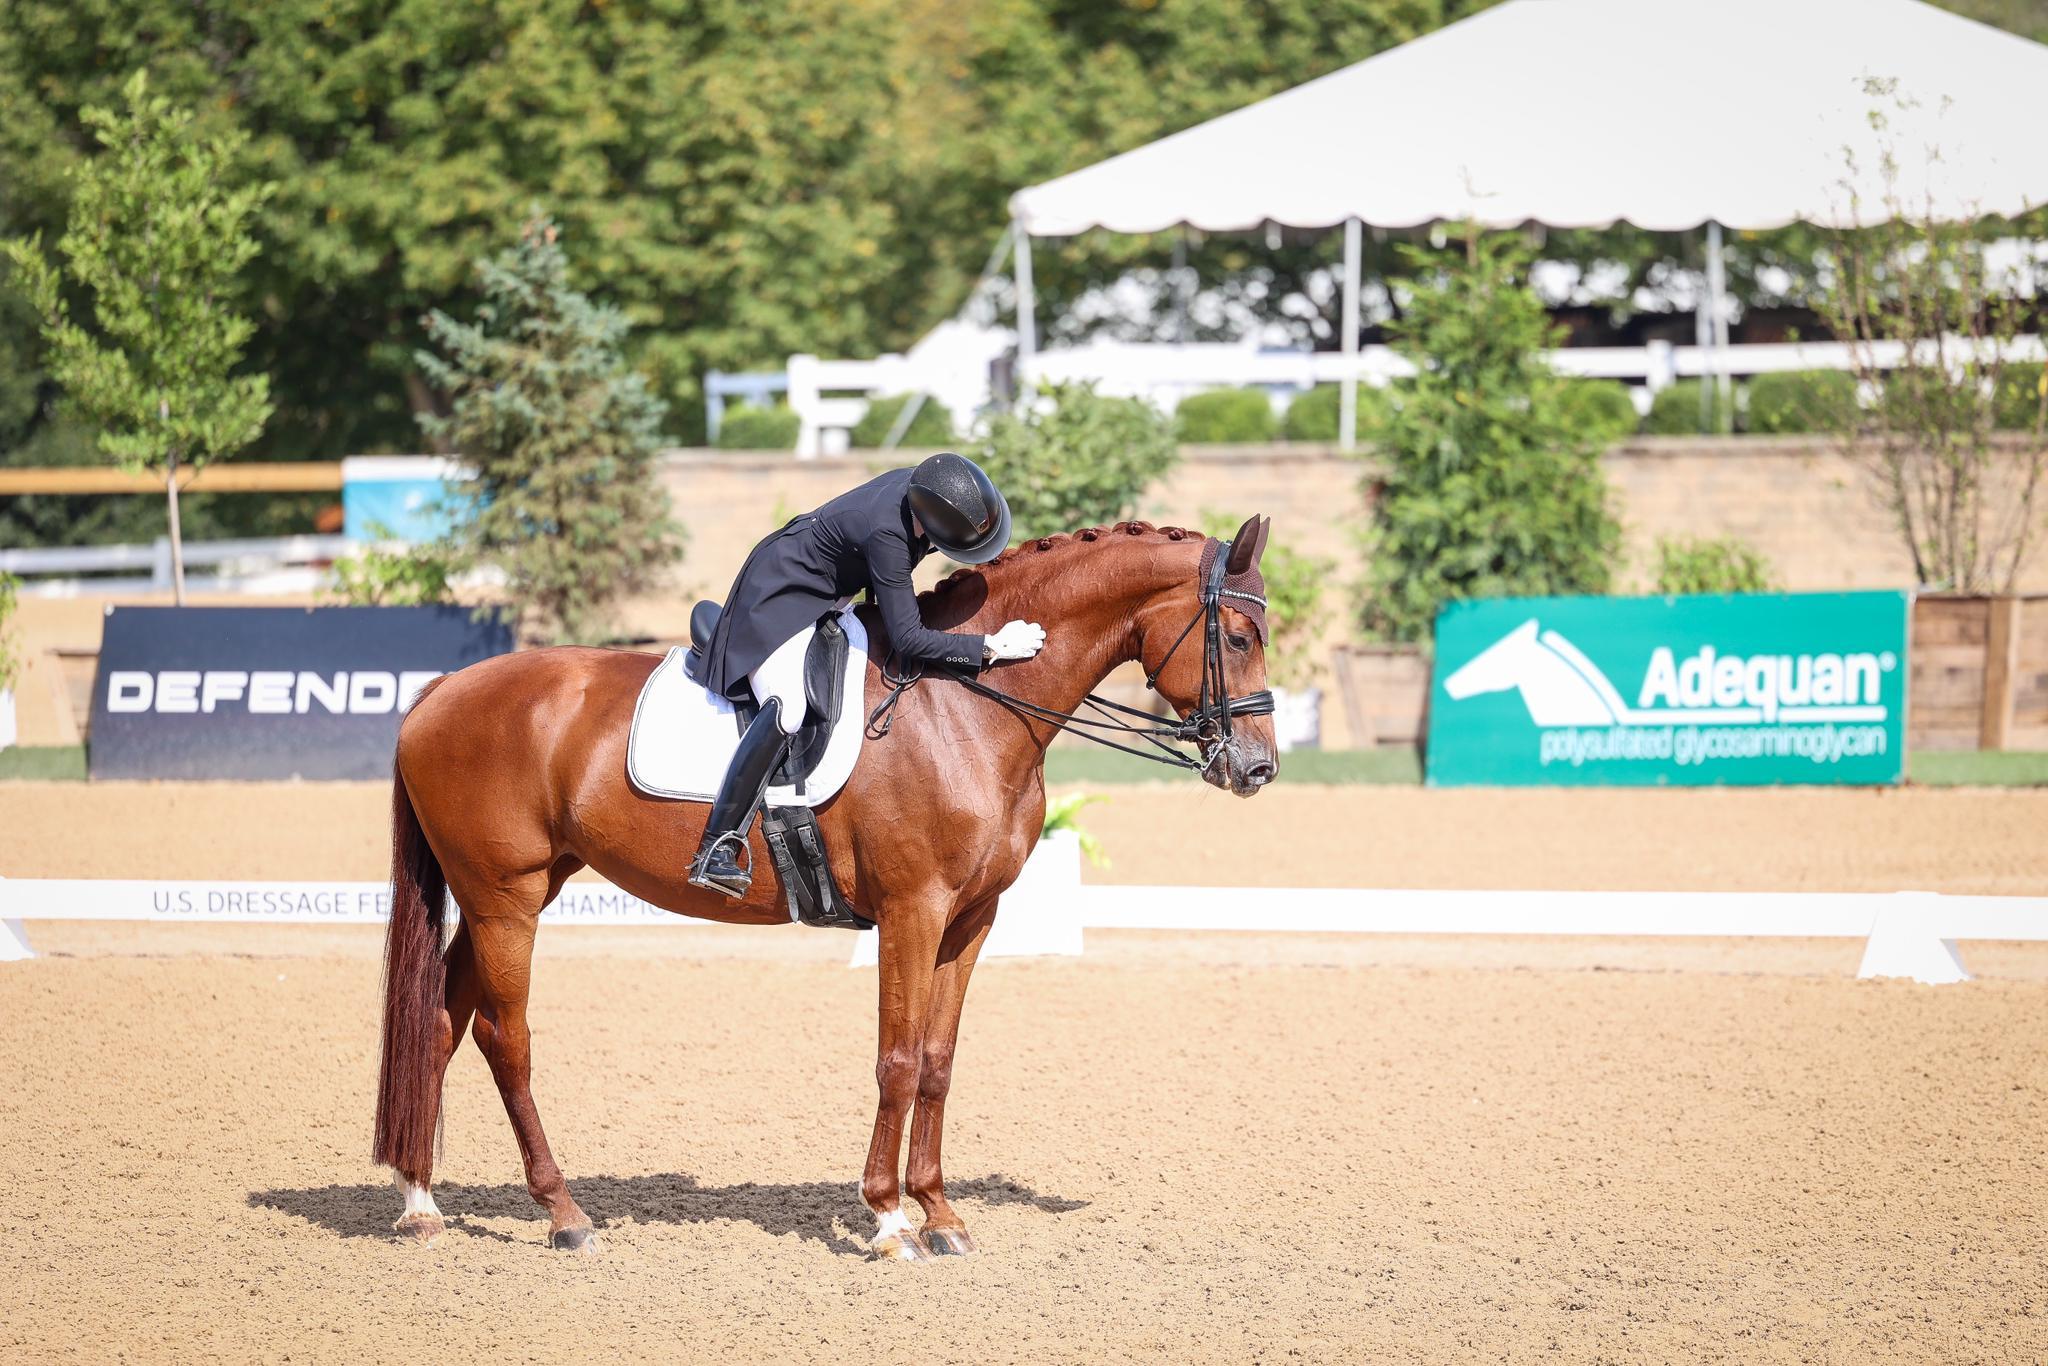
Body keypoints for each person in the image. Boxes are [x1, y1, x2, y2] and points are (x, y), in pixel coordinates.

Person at [686, 451, 1046, 898]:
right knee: (789, 707)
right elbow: (909, 639)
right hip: (780, 599)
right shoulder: (888, 532)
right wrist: (988, 646)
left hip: (828, 593)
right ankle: (717, 845)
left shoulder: (923, 488)